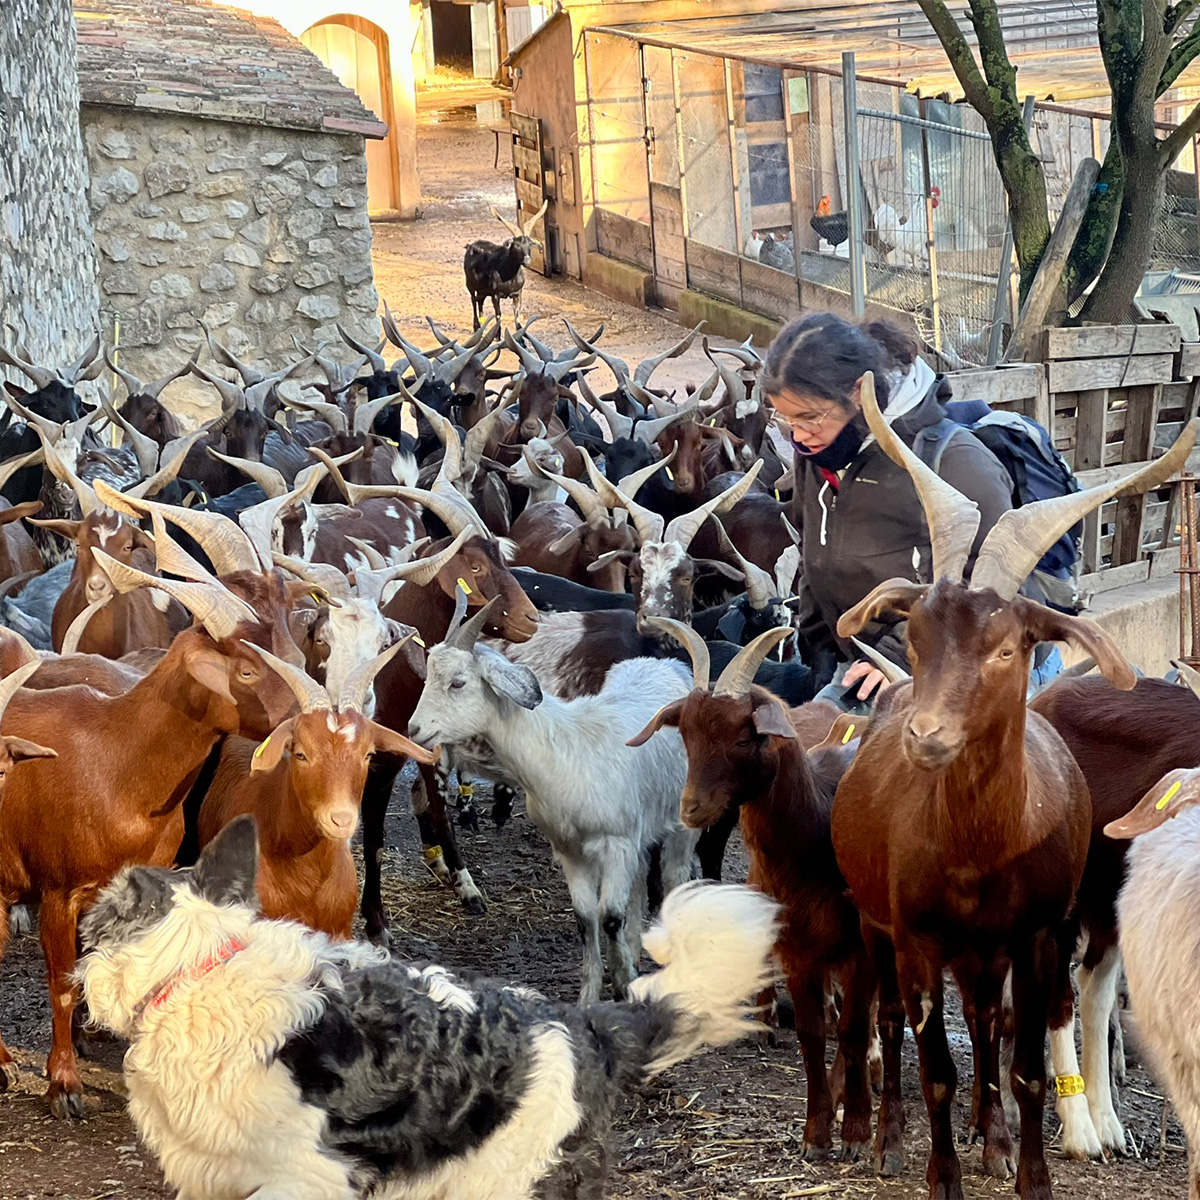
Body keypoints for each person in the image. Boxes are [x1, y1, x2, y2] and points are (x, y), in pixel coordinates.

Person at [763, 313, 1015, 711]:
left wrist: (900, 655)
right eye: (786, 418)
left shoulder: (953, 461)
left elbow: (994, 586)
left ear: (859, 392)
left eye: (809, 417)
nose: (797, 435)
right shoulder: (818, 454)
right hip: (850, 669)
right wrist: (815, 640)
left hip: (939, 678)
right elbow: (814, 545)